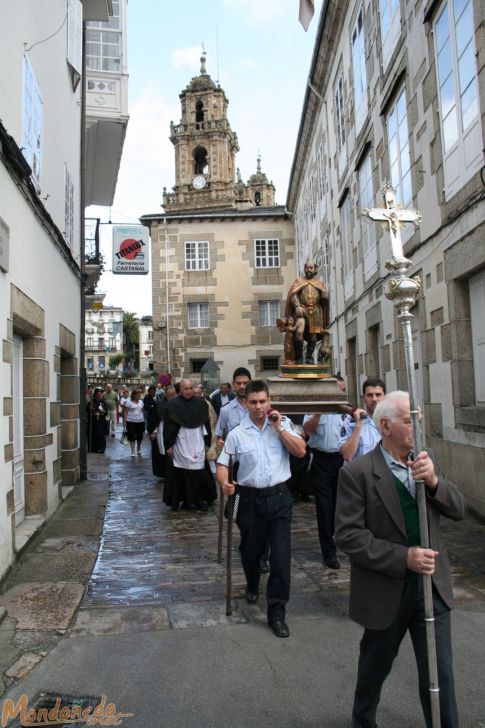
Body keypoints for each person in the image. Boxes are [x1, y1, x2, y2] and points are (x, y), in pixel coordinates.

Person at [335, 391, 467, 728]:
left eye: (417, 419)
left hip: (431, 588)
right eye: (410, 420)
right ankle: (363, 719)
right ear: (386, 426)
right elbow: (348, 536)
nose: (416, 426)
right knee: (374, 668)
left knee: (440, 675)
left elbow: (459, 510)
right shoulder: (359, 474)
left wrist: (435, 481)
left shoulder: (426, 460)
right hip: (385, 589)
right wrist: (403, 557)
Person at [217, 379, 306, 638]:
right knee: (250, 551)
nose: (258, 407)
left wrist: (279, 429)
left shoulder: (283, 424)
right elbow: (223, 465)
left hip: (279, 498)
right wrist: (224, 483)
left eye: (262, 402)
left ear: (270, 401)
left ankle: (277, 612)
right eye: (253, 402)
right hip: (248, 500)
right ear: (246, 403)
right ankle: (252, 582)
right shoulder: (236, 433)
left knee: (280, 557)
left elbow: (300, 451)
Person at [302, 375, 346, 569]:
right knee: (324, 507)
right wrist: (318, 414)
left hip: (342, 461)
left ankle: (341, 538)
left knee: (340, 506)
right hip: (320, 460)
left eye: (342, 390)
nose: (340, 393)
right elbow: (307, 430)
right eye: (336, 389)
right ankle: (329, 552)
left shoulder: (346, 411)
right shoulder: (314, 407)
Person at [163, 379, 216, 511]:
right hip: (181, 442)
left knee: (199, 473)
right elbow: (169, 427)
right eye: (185, 388)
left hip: (197, 440)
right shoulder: (173, 404)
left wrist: (207, 442)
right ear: (180, 390)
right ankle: (186, 500)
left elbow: (206, 423)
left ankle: (199, 499)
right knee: (183, 473)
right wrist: (169, 445)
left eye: (190, 388)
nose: (188, 391)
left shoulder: (201, 403)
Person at [285, 261, 329, 364]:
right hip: (302, 310)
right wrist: (297, 306)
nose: (309, 270)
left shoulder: (320, 284)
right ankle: (299, 357)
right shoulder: (299, 281)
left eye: (311, 268)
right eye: (307, 268)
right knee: (299, 332)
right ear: (305, 269)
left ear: (315, 269)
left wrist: (325, 297)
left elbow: (324, 301)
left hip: (316, 311)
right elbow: (293, 294)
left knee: (313, 336)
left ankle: (309, 357)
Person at [339, 377, 386, 462]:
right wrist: (358, 424)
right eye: (369, 395)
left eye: (378, 395)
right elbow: (347, 455)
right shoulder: (351, 422)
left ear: (385, 397)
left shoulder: (392, 421)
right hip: (360, 473)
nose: (374, 399)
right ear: (364, 398)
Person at [215, 367, 251, 450]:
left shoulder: (257, 408)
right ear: (233, 384)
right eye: (238, 383)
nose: (242, 386)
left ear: (250, 383)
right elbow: (219, 436)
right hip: (235, 459)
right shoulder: (225, 410)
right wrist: (220, 442)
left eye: (245, 383)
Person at [144, 385, 162, 477]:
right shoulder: (147, 398)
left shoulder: (159, 397)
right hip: (151, 419)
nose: (153, 392)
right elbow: (147, 407)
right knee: (152, 434)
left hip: (157, 419)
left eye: (154, 391)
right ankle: (153, 447)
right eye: (151, 391)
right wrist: (154, 405)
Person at [123, 388, 145, 459]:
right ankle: (132, 451)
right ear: (134, 395)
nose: (139, 396)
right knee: (131, 436)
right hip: (130, 421)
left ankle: (138, 447)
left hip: (140, 421)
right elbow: (125, 412)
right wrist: (124, 421)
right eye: (137, 395)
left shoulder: (141, 402)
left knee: (140, 436)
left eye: (139, 395)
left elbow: (142, 411)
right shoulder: (129, 402)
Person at [86, 387, 106, 453]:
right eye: (98, 394)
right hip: (93, 421)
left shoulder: (103, 402)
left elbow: (106, 412)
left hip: (100, 421)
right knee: (92, 434)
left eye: (100, 394)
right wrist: (90, 408)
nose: (99, 395)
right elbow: (87, 410)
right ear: (95, 394)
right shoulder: (91, 402)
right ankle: (92, 448)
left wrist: (103, 411)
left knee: (100, 435)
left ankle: (101, 448)